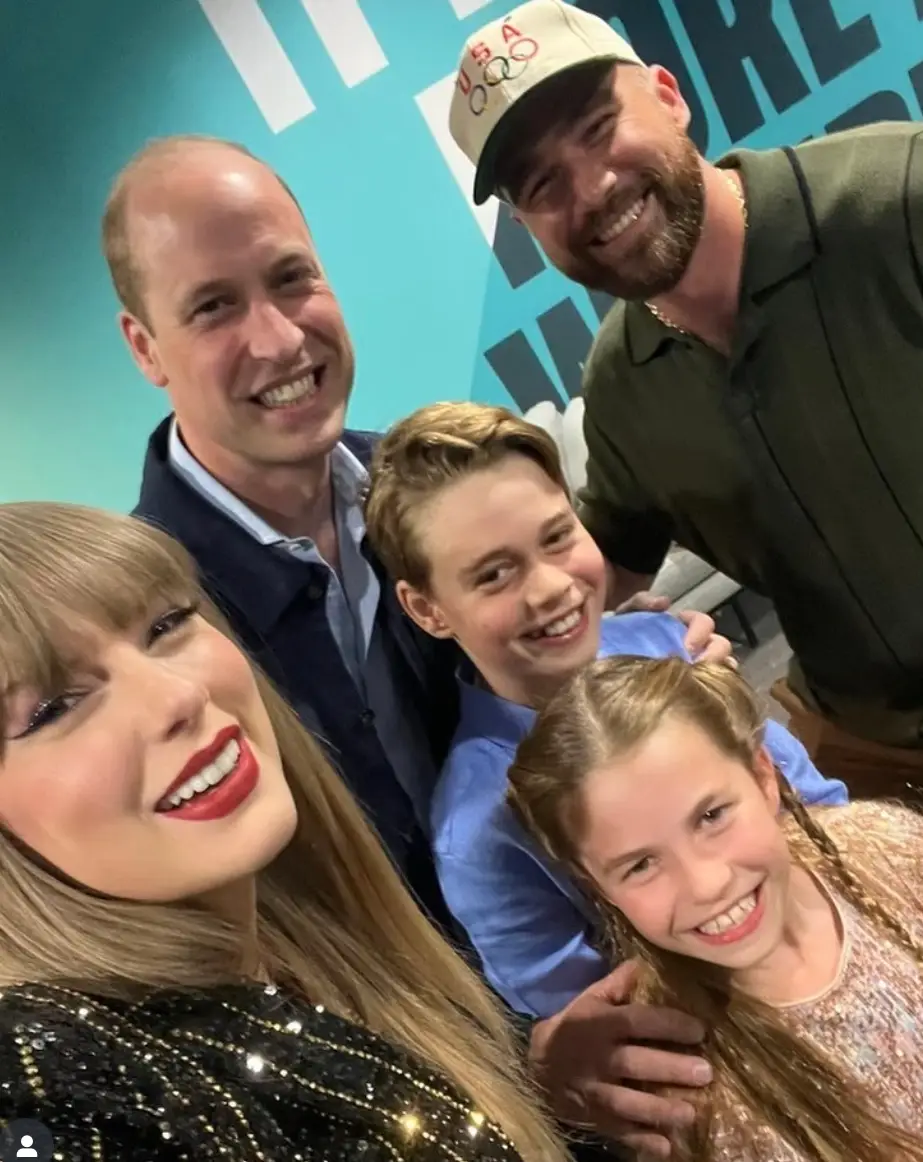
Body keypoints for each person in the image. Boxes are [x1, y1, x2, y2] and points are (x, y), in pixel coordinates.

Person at [103, 132, 720, 933]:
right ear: (145, 347)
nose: (281, 339)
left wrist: (640, 665)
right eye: (213, 306)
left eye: (292, 279)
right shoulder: (139, 618)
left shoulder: (429, 490)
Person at [447, 0, 923, 799]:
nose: (592, 189)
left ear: (668, 96)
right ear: (528, 224)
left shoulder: (896, 198)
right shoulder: (623, 386)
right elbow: (602, 561)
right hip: (869, 750)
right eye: (542, 183)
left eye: (598, 128)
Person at [0, 500, 570, 1162]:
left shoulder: (303, 949)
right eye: (53, 708)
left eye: (166, 624)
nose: (176, 698)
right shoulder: (51, 1093)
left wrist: (545, 1086)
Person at [364, 401, 846, 1156]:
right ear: (427, 609)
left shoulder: (663, 641)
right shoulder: (478, 831)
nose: (551, 587)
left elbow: (817, 808)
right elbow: (614, 1040)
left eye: (557, 538)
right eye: (493, 574)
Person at [508, 655, 923, 1162]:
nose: (706, 884)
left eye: (711, 815)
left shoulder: (891, 847)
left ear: (764, 777)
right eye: (639, 865)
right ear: (595, 885)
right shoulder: (675, 1086)